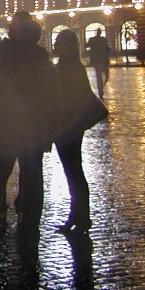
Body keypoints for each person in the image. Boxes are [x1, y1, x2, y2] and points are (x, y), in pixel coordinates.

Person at [0, 11, 62, 251]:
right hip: (33, 132)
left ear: (16, 35)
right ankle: (30, 231)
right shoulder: (41, 59)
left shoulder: (4, 55)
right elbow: (54, 100)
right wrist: (49, 131)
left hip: (3, 131)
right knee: (33, 182)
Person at [54, 29, 108, 234]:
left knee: (74, 172)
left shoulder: (70, 68)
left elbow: (72, 98)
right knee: (73, 172)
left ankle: (81, 217)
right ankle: (77, 216)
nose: (56, 46)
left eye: (59, 43)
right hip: (70, 126)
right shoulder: (70, 66)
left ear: (68, 46)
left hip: (68, 127)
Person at [86, 30, 111, 100]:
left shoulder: (93, 39)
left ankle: (101, 90)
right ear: (100, 33)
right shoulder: (103, 39)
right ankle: (101, 89)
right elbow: (108, 49)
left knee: (99, 76)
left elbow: (87, 46)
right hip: (103, 60)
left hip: (97, 61)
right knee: (106, 75)